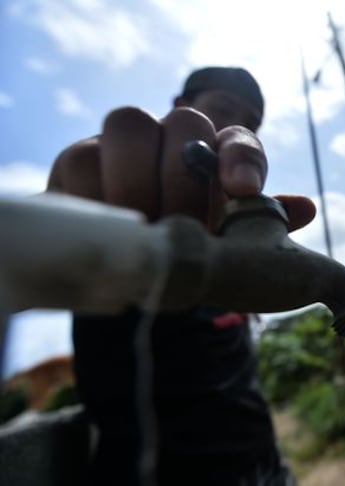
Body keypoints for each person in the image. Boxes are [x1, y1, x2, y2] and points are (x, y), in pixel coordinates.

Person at [46, 67, 315, 486]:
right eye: (222, 109)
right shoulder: (127, 231)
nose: (233, 129)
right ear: (180, 108)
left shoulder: (232, 248)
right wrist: (63, 217)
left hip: (269, 470)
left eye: (250, 124)